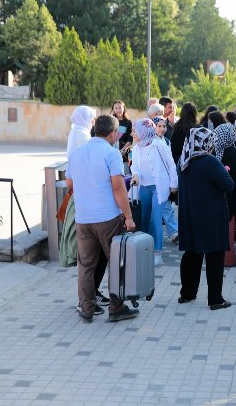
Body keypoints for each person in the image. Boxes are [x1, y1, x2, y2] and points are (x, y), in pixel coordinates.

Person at [66, 114, 139, 323]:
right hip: (107, 218)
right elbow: (118, 188)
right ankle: (116, 307)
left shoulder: (77, 153)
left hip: (83, 218)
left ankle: (87, 309)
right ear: (114, 133)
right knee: (115, 264)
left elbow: (69, 184)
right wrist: (128, 217)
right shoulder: (111, 153)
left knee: (86, 266)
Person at [177, 127, 234, 310]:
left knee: (192, 254)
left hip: (190, 215)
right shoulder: (210, 161)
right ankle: (215, 299)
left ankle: (187, 294)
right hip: (211, 216)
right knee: (214, 256)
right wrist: (224, 171)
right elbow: (229, 185)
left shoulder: (184, 160)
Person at [130, 117, 178, 266]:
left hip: (159, 187)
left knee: (155, 220)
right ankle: (145, 249)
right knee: (143, 219)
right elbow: (135, 166)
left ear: (144, 132)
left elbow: (171, 164)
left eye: (135, 131)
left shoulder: (159, 145)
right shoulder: (137, 147)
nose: (132, 134)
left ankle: (158, 253)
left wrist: (173, 184)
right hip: (144, 187)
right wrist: (135, 175)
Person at [213, 123, 236, 267]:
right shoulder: (231, 151)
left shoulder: (215, 150)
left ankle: (218, 257)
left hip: (217, 193)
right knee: (229, 227)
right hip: (230, 194)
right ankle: (229, 259)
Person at [111, 100, 133, 173]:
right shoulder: (111, 121)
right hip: (111, 152)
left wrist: (123, 149)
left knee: (124, 173)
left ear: (124, 109)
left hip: (123, 154)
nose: (118, 110)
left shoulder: (128, 122)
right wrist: (110, 117)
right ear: (113, 109)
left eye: (120, 108)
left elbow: (130, 139)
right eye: (116, 108)